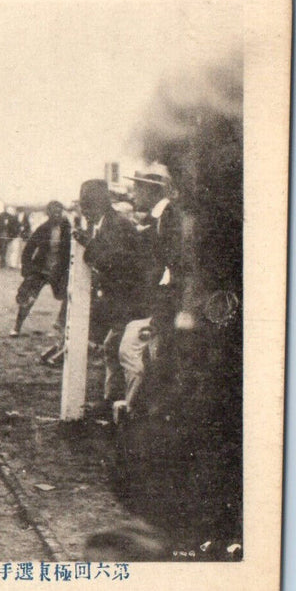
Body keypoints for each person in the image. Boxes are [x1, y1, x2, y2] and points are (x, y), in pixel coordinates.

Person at [73, 179, 146, 416]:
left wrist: (89, 245)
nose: (84, 211)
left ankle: (127, 403)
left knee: (120, 349)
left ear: (99, 204)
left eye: (87, 205)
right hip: (120, 298)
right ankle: (113, 400)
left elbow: (116, 263)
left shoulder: (117, 225)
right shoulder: (107, 223)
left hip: (131, 298)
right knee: (112, 347)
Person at [116, 174, 182, 415]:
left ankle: (134, 410)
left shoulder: (168, 215)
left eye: (138, 189)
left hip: (168, 299)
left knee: (134, 349)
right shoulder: (159, 217)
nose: (134, 195)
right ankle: (136, 407)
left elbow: (171, 262)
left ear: (151, 191)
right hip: (161, 298)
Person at [10, 200, 71, 337]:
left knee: (69, 294)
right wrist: (27, 270)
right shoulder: (43, 228)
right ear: (48, 214)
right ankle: (17, 327)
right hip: (41, 269)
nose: (57, 215)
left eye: (59, 212)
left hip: (59, 271)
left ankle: (60, 323)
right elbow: (28, 249)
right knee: (28, 297)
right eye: (53, 212)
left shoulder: (68, 228)